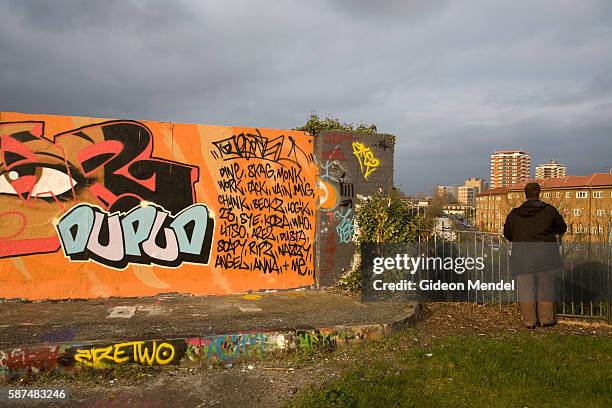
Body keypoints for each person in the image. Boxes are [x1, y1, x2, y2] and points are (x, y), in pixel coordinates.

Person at [503, 182, 567, 328]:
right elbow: (562, 227)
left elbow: (508, 234)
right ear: (539, 193)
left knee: (526, 291)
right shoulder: (549, 211)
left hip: (522, 258)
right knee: (546, 289)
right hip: (546, 257)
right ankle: (546, 320)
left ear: (525, 194)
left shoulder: (514, 214)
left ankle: (529, 321)